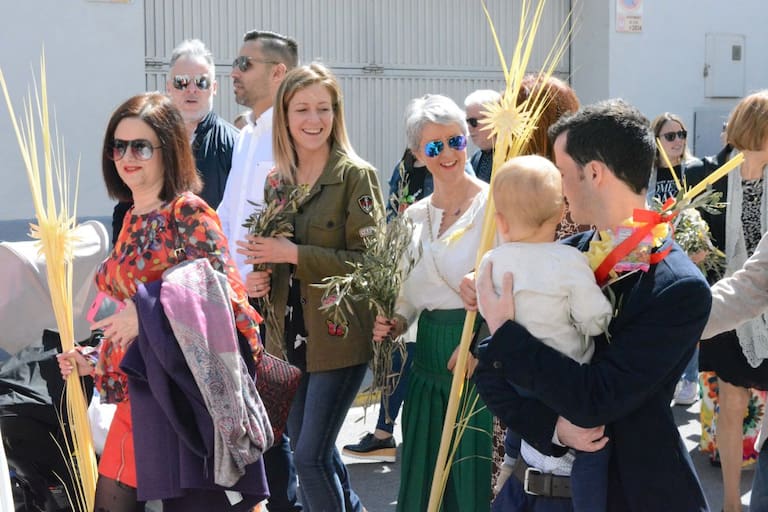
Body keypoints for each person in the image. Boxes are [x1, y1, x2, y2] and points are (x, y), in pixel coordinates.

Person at [472, 99, 711, 511]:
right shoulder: (565, 254)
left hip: (628, 495)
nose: (559, 189)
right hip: (530, 492)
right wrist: (552, 429)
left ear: (595, 173)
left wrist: (506, 332)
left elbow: (597, 398)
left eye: (562, 174)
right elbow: (489, 370)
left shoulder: (678, 287)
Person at [57, 92, 268, 512]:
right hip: (138, 392)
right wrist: (95, 357)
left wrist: (148, 312)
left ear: (168, 150)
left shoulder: (188, 212)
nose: (126, 157)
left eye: (141, 146)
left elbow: (227, 302)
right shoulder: (130, 217)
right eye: (118, 146)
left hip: (180, 396)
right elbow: (124, 317)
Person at [238, 63, 383, 512]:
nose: (314, 119)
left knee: (309, 458)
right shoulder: (277, 181)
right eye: (302, 109)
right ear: (284, 116)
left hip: (338, 337)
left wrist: (294, 254)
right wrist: (259, 279)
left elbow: (372, 264)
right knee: (313, 450)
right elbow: (272, 256)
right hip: (287, 340)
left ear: (337, 114)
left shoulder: (356, 176)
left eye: (323, 108)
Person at [371, 94, 493, 511]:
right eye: (434, 146)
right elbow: (408, 298)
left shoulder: (493, 206)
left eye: (455, 141)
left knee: (469, 481)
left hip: (475, 360)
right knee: (425, 481)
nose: (447, 154)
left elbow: (513, 286)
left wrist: (479, 344)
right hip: (425, 363)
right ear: (417, 154)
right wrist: (395, 321)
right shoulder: (412, 218)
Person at [477, 154, 613, 511]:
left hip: (512, 374)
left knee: (522, 415)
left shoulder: (491, 262)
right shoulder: (569, 261)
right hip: (565, 378)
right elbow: (595, 318)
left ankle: (510, 461)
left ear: (501, 221)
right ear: (560, 213)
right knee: (593, 445)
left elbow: (489, 314)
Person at [217, 29, 302, 512]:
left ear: (278, 72)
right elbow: (231, 216)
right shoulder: (249, 133)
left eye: (245, 64)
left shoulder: (288, 133)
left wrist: (259, 273)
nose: (234, 72)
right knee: (265, 423)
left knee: (279, 423)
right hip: (239, 296)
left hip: (269, 299)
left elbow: (290, 218)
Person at [695, 90, 768, 512]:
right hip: (726, 302)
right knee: (731, 403)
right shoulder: (709, 174)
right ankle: (729, 501)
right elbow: (690, 233)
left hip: (760, 296)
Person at [111, 39, 238, 243]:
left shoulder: (234, 144)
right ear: (169, 87)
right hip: (150, 257)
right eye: (182, 81)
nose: (191, 89)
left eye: (201, 82)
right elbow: (126, 206)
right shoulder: (146, 140)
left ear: (214, 87)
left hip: (209, 256)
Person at [701, 230, 768, 512]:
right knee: (731, 403)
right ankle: (731, 504)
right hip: (728, 313)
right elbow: (752, 285)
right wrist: (680, 316)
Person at [649, 112, 707, 406]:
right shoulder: (647, 175)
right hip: (654, 255)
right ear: (656, 140)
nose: (678, 141)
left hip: (688, 256)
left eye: (681, 134)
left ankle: (690, 379)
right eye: (670, 136)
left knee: (688, 320)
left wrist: (700, 243)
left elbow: (703, 214)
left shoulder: (692, 171)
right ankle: (665, 378)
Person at [465, 89, 501, 183]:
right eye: (466, 122)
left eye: (473, 122)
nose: (469, 128)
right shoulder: (476, 157)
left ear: (494, 119)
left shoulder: (513, 156)